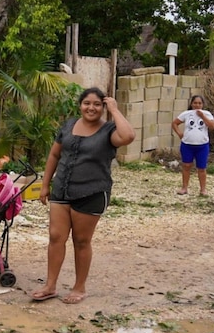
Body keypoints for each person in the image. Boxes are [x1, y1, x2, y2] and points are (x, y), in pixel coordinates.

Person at [31, 87, 136, 304]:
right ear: (80, 105)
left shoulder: (109, 131)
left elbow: (128, 136)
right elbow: (54, 154)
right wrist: (45, 185)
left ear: (103, 107)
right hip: (62, 190)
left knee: (81, 240)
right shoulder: (69, 125)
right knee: (55, 237)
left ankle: (79, 287)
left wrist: (115, 110)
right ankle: (50, 286)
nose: (91, 108)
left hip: (91, 193)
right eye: (87, 103)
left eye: (97, 104)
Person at [172, 95, 214, 197]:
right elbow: (175, 123)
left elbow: (213, 126)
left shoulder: (207, 114)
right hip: (187, 145)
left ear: (203, 105)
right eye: (195, 103)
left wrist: (202, 116)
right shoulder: (186, 114)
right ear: (191, 104)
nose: (197, 105)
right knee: (186, 166)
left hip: (202, 146)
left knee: (201, 168)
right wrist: (179, 134)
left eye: (199, 103)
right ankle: (184, 188)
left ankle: (203, 189)